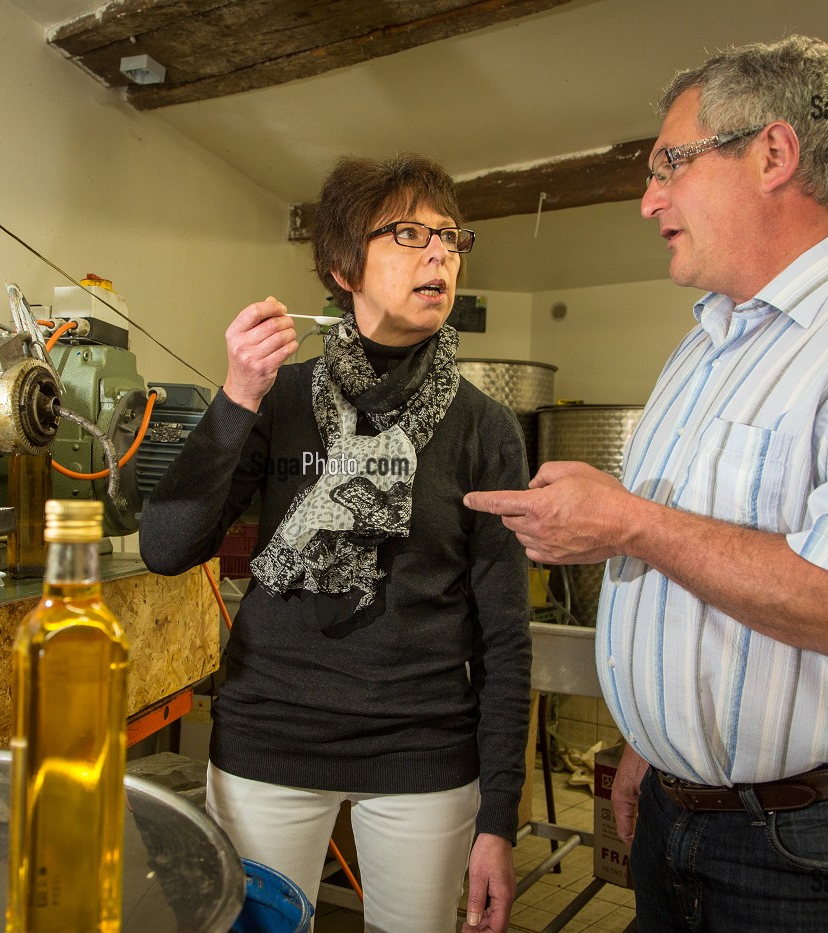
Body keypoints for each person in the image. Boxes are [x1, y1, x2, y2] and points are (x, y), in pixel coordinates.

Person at [466, 35, 828, 932]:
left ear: (773, 152)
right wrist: (656, 744)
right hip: (682, 820)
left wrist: (632, 524)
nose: (648, 201)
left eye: (669, 166)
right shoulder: (705, 345)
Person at [140, 153, 532, 933]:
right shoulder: (279, 397)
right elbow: (166, 544)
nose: (440, 255)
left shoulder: (485, 427)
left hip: (422, 751)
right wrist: (235, 396)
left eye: (452, 239)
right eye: (411, 233)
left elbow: (505, 636)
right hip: (268, 740)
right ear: (341, 265)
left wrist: (498, 817)